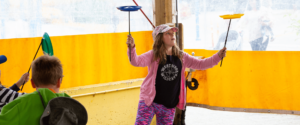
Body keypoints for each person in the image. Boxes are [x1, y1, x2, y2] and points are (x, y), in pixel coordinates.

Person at [126, 24, 227, 125]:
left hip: (169, 104)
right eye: (168, 33)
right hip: (149, 101)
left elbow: (202, 64)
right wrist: (131, 48)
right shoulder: (153, 54)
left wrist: (218, 56)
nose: (172, 35)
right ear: (159, 38)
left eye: (173, 33)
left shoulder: (182, 56)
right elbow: (136, 61)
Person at [0, 55, 71, 125]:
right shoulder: (71, 106)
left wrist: (19, 84)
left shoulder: (21, 104)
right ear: (59, 82)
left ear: (32, 83)